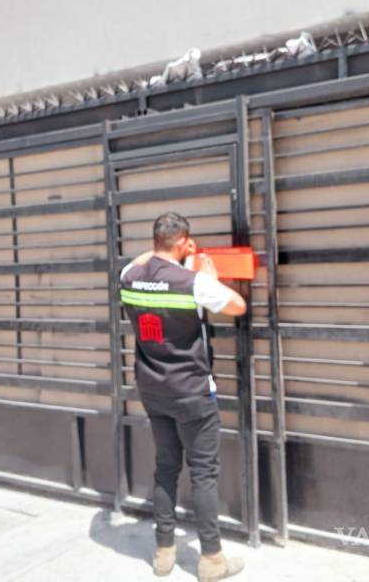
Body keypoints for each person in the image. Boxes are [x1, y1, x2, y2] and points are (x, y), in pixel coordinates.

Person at [119, 212, 247, 582]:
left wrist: (164, 250)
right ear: (182, 242)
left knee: (166, 467)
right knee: (203, 473)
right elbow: (238, 306)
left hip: (153, 389)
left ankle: (163, 553)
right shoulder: (194, 283)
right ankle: (211, 559)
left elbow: (143, 260)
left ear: (155, 241)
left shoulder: (128, 276)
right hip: (191, 392)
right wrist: (210, 279)